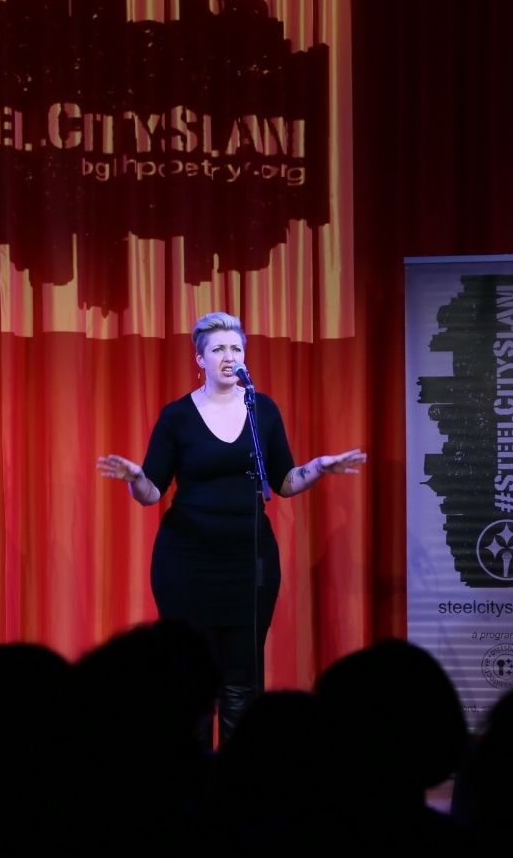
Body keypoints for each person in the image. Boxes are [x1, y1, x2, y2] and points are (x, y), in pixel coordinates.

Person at [97, 311, 366, 744]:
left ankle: (238, 774)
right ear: (199, 358)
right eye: (219, 349)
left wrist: (318, 467)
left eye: (236, 349)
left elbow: (283, 483)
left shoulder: (261, 409)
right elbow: (151, 493)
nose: (229, 357)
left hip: (249, 560)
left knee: (243, 674)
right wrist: (135, 478)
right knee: (189, 674)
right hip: (187, 561)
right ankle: (191, 771)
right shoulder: (177, 416)